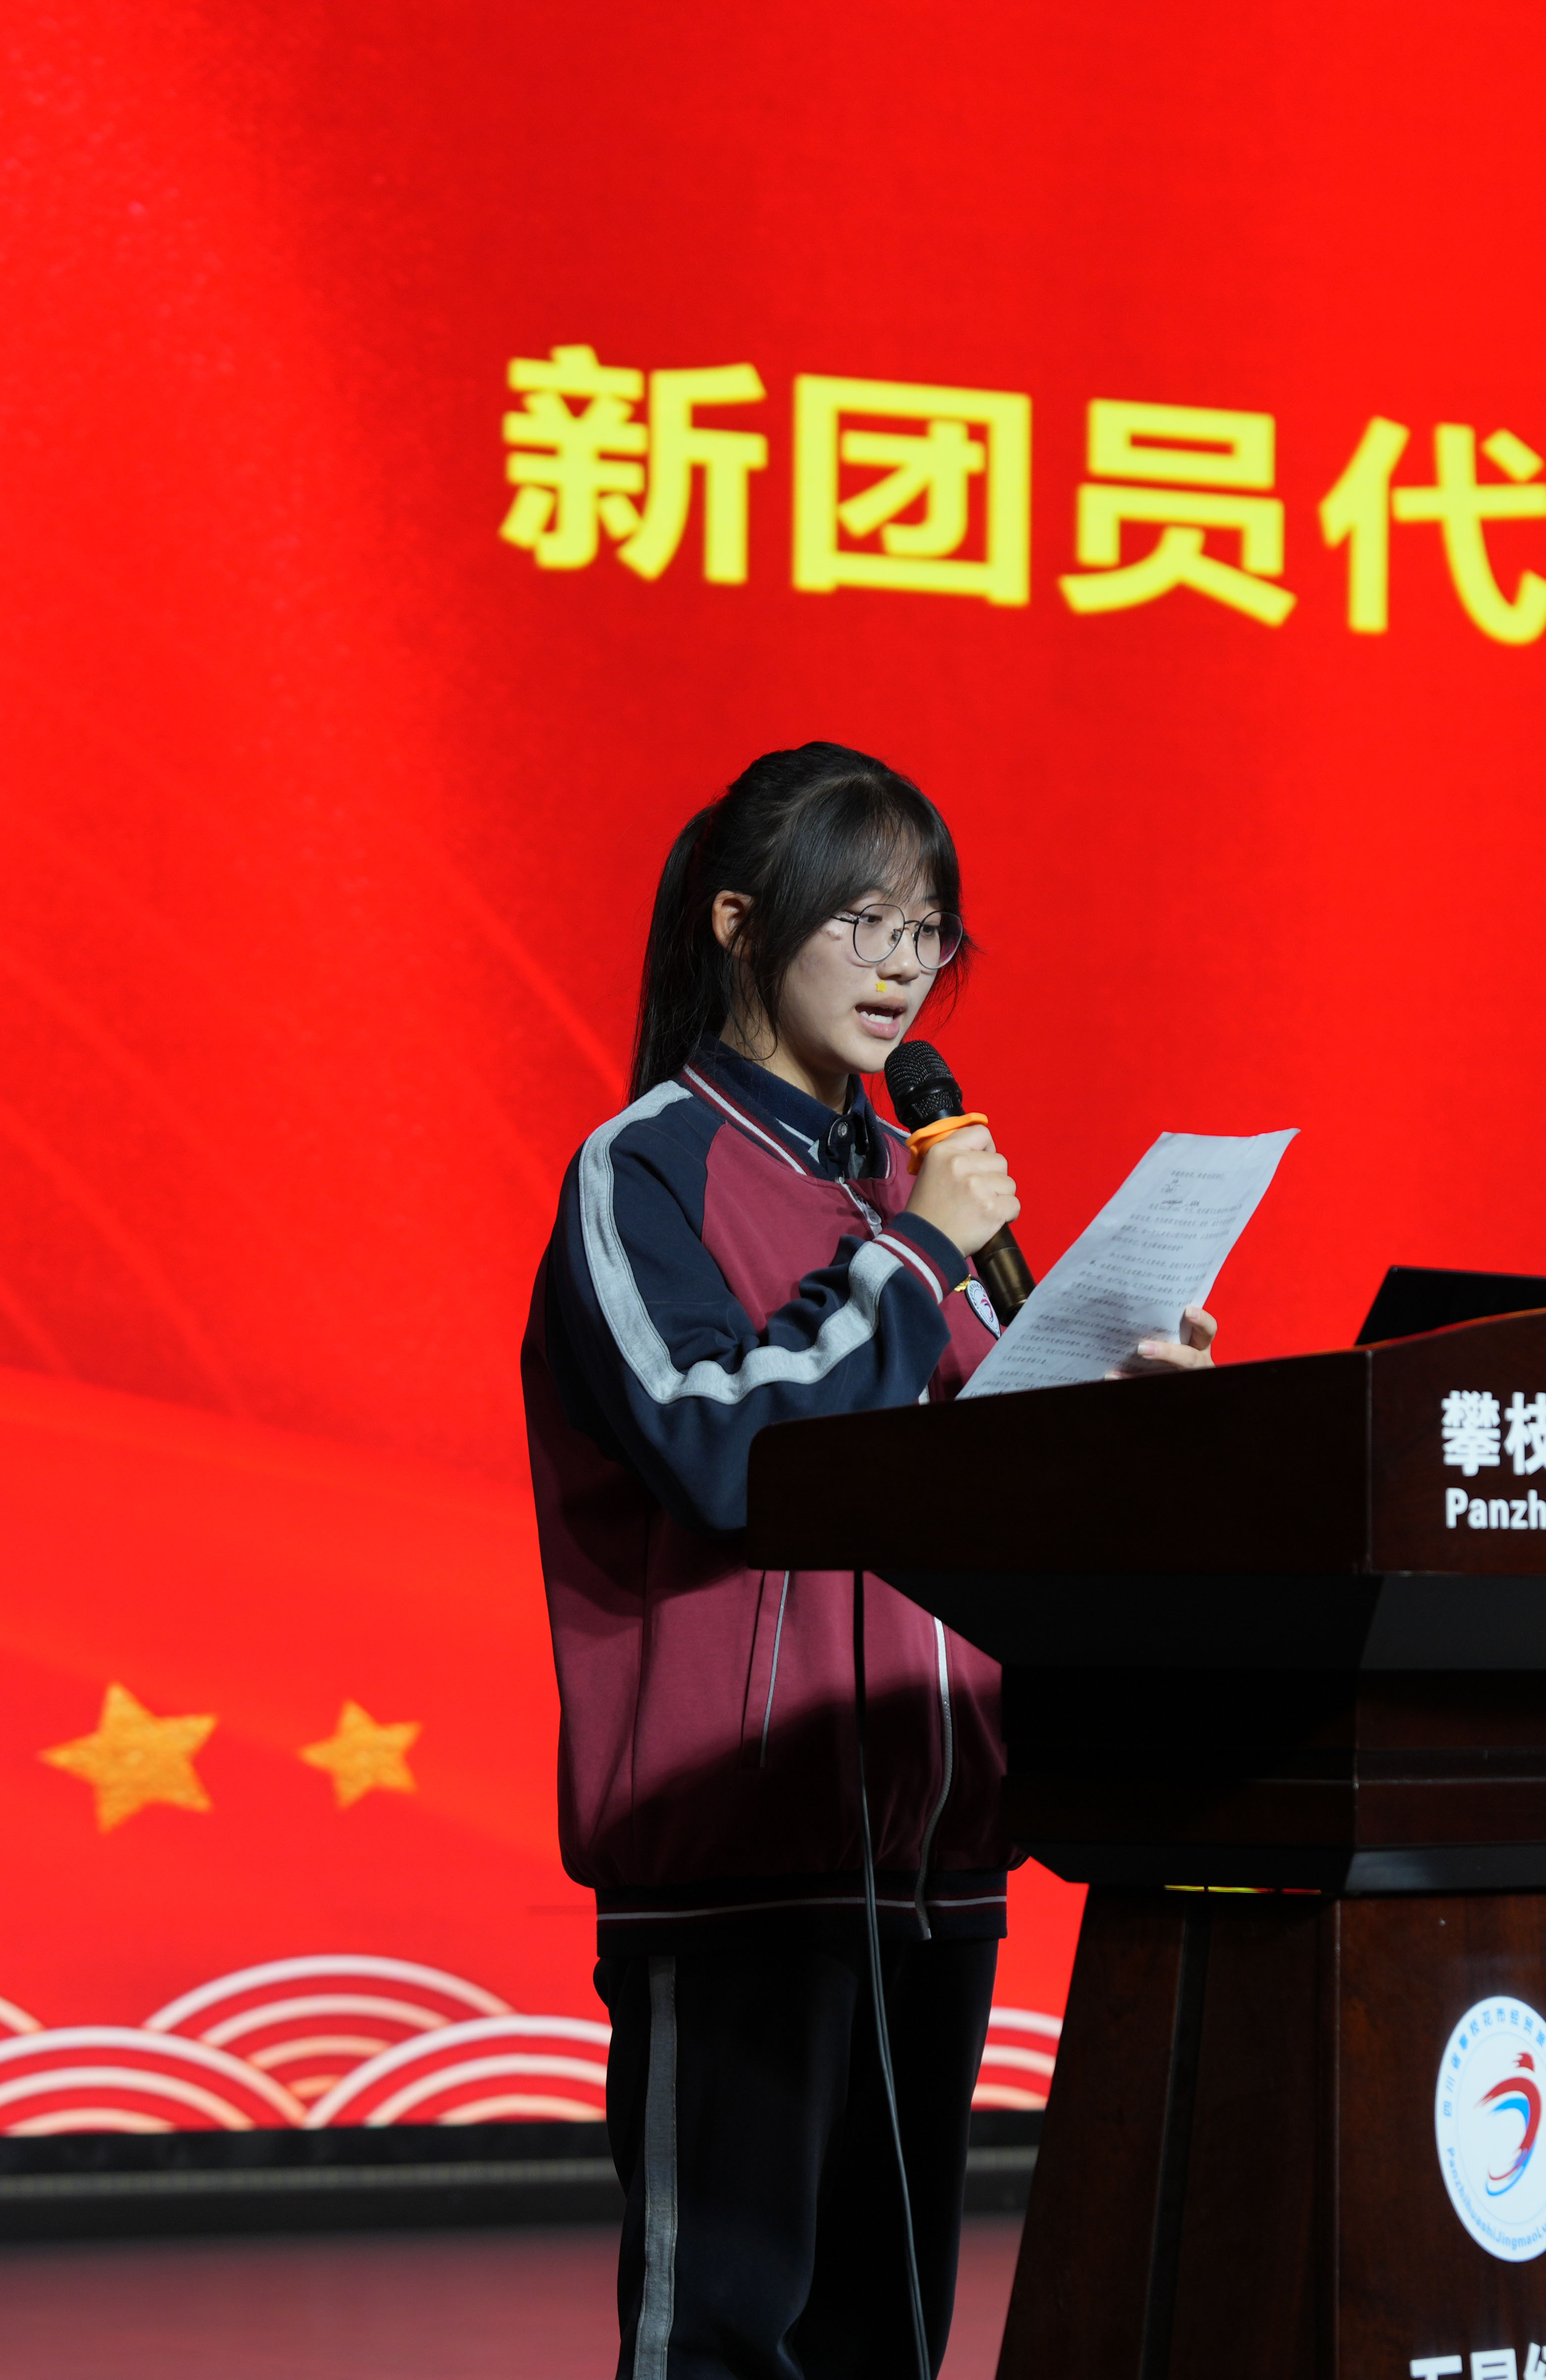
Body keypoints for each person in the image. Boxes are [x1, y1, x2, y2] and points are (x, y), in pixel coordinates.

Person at [521, 741, 1214, 2380]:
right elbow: (714, 1446)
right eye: (865, 921)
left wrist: (1115, 1402)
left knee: (886, 2338)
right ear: (739, 923)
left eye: (928, 932)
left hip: (933, 1849)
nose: (903, 968)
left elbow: (976, 1479)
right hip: (740, 1842)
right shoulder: (650, 1167)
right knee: (722, 2335)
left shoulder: (909, 1193)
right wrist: (913, 1257)